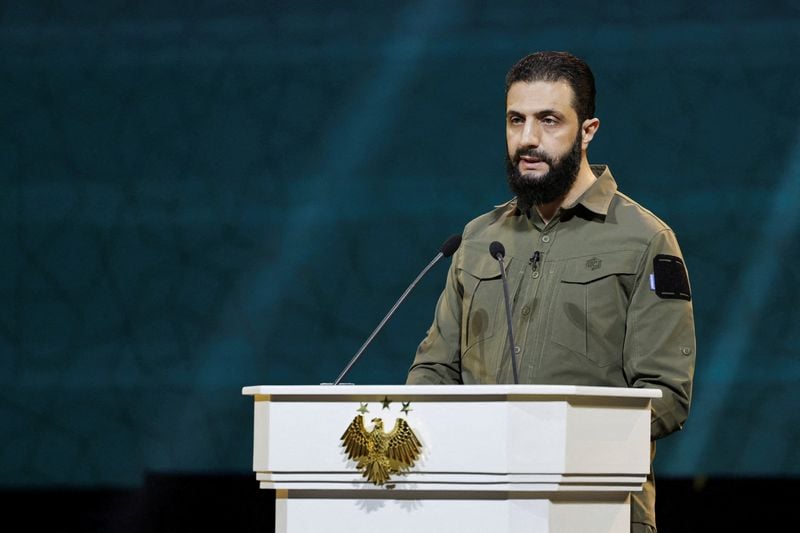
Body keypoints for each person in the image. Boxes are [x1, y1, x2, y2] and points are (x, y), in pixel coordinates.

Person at [406, 51, 696, 533]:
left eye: (549, 120)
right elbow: (434, 370)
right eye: (515, 120)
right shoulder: (476, 239)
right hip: (475, 507)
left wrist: (553, 440)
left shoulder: (646, 240)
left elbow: (665, 396)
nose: (527, 138)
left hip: (594, 510)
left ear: (588, 130)